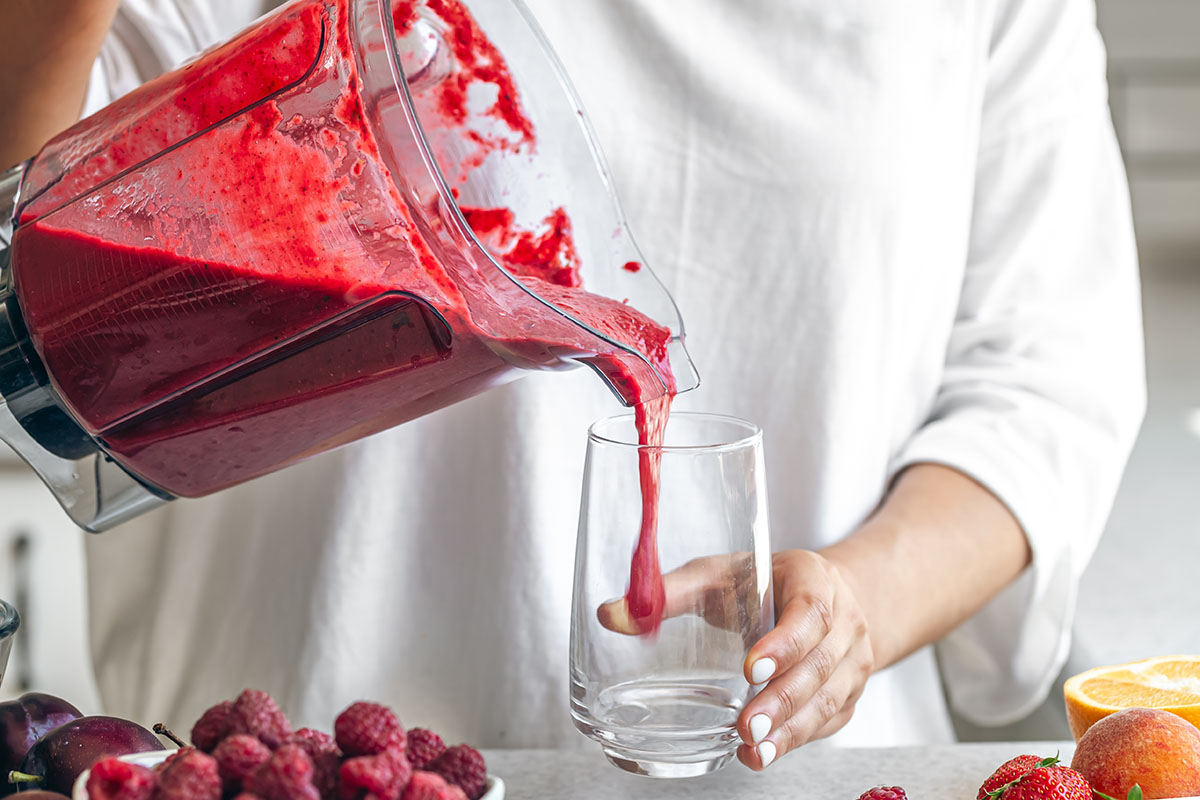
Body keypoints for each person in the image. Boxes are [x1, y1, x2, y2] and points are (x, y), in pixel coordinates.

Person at [1, 0, 1145, 770]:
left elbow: (1044, 377)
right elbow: (30, 214)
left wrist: (854, 604)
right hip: (305, 756)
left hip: (777, 765)